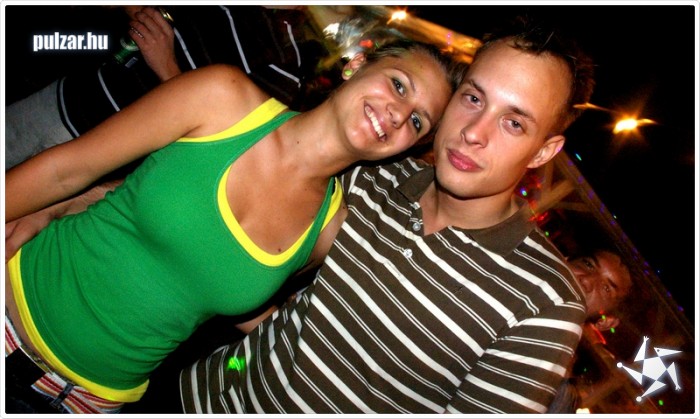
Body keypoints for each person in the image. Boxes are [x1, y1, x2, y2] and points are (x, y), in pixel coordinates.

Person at [4, 39, 465, 413]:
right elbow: (66, 171)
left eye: (417, 121)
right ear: (358, 65)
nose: (397, 114)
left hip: (88, 402)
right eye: (399, 85)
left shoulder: (329, 232)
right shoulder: (222, 98)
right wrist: (50, 208)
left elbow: (230, 286)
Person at [179, 16, 597, 414]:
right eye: (473, 98)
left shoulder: (545, 298)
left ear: (544, 151)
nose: (474, 132)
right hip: (190, 393)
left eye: (514, 123)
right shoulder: (372, 173)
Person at [5, 5, 328, 170]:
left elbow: (216, 149)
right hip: (69, 94)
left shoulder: (285, 64)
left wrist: (167, 68)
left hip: (102, 148)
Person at [547, 247, 633, 413]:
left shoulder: (556, 394)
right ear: (566, 260)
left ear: (605, 322)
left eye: (606, 288)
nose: (586, 280)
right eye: (588, 264)